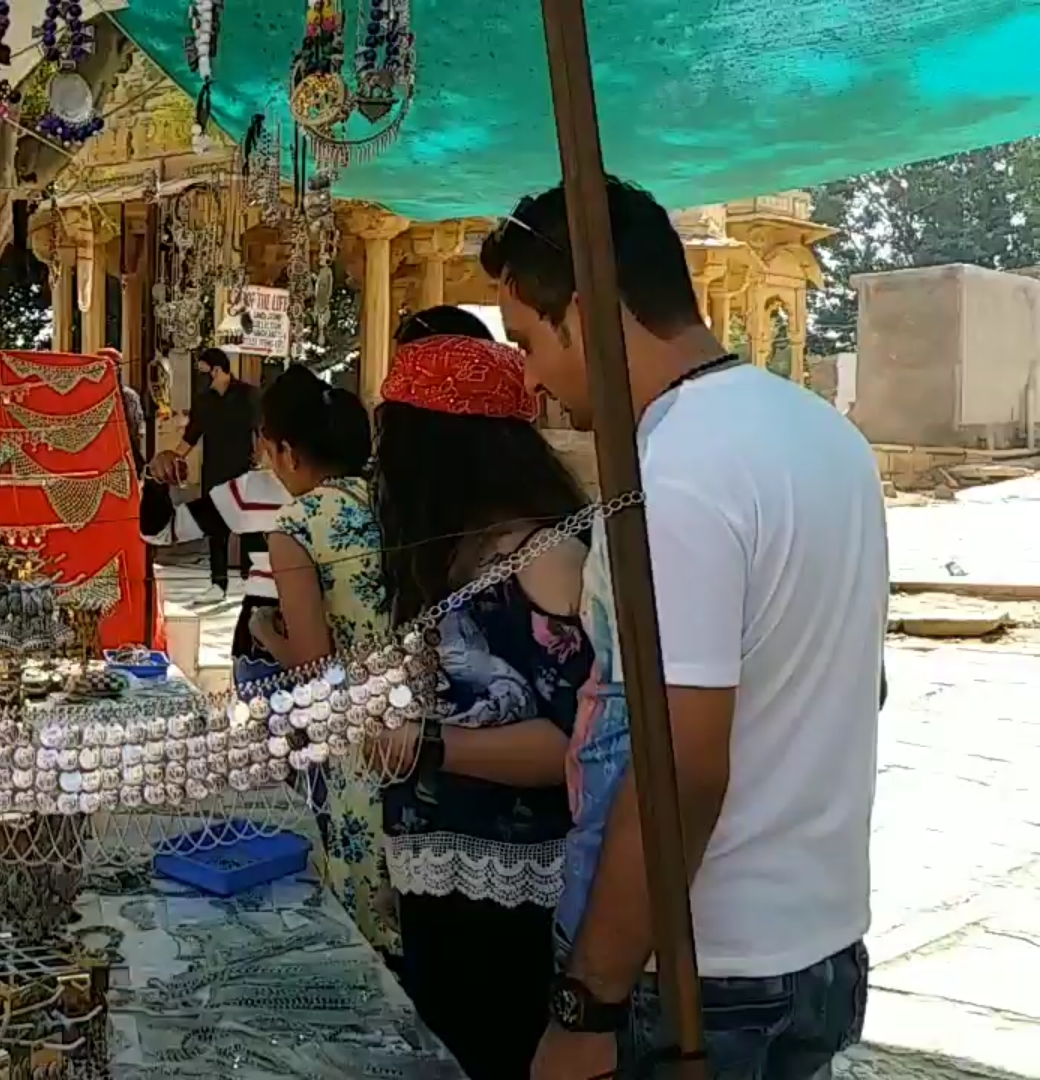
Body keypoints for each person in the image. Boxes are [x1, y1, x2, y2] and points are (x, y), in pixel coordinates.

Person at [481, 179, 887, 1080]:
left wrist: (588, 1003)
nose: (533, 379)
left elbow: (682, 770)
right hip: (818, 942)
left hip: (705, 977)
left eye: (528, 342)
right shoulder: (826, 437)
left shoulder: (679, 473)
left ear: (583, 315)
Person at [368, 308, 595, 1080]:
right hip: (437, 876)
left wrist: (430, 744)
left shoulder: (546, 556)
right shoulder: (454, 551)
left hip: (513, 896)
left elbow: (573, 745)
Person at [243, 364, 396, 956]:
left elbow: (315, 666)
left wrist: (264, 632)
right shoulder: (386, 500)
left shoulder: (298, 524)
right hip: (419, 725)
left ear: (283, 450)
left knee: (366, 927)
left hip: (356, 735)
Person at [139, 464, 288, 686]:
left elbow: (160, 532)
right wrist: (157, 480)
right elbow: (160, 531)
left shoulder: (258, 488)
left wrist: (156, 478)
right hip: (270, 635)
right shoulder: (255, 489)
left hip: (272, 628)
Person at [156, 348, 258, 605]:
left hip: (244, 470)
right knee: (216, 529)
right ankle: (217, 583)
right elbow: (191, 437)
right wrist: (172, 459)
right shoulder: (203, 401)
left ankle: (251, 580)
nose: (200, 376)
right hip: (214, 471)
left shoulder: (248, 395)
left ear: (216, 369)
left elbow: (262, 430)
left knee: (250, 528)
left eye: (203, 370)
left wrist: (265, 460)